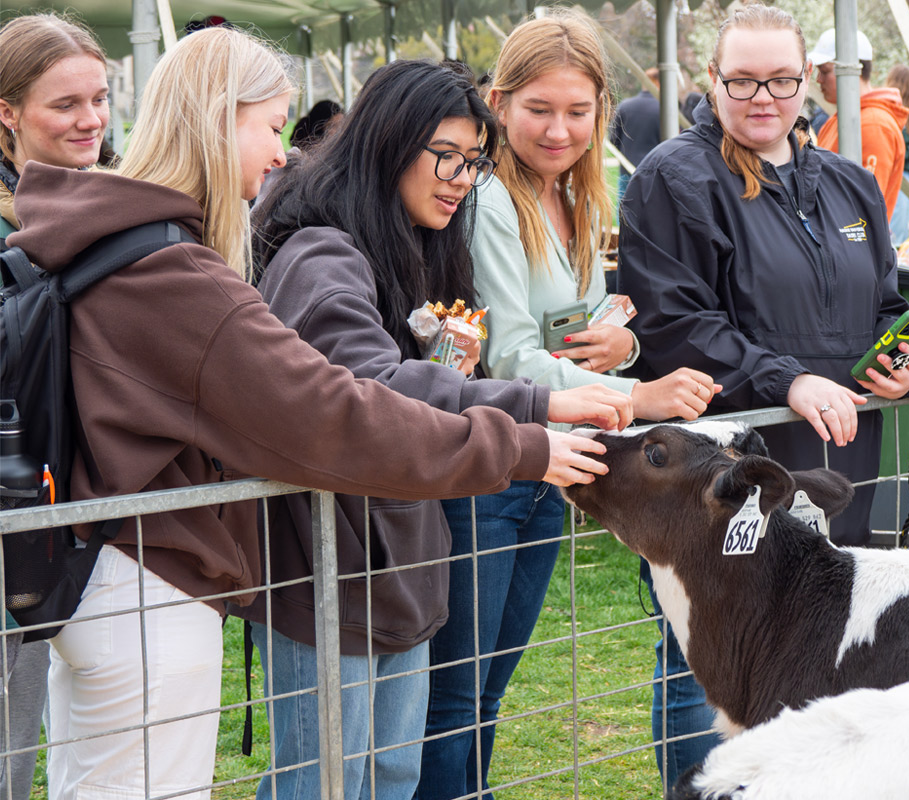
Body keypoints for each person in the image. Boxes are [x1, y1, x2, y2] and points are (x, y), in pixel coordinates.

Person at [7, 26, 613, 800]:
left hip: (125, 573)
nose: (283, 152)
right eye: (270, 126)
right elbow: (334, 413)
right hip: (150, 587)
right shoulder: (175, 270)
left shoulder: (142, 249)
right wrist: (526, 436)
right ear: (216, 120)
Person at [242, 58, 632, 800]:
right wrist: (537, 410)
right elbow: (375, 390)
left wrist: (467, 374)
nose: (461, 179)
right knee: (327, 780)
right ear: (389, 144)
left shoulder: (408, 245)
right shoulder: (321, 250)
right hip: (330, 570)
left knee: (391, 773)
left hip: (397, 560)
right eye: (445, 156)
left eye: (474, 161)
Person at [617, 2, 909, 787]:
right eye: (744, 80)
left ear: (806, 82)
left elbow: (885, 305)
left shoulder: (849, 184)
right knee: (710, 659)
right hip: (724, 478)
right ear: (712, 79)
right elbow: (676, 324)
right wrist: (787, 379)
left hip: (842, 462)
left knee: (830, 645)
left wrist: (907, 360)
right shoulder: (674, 179)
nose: (764, 97)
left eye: (782, 80)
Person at [419, 11, 719, 800]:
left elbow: (578, 331)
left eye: (577, 111)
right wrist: (640, 393)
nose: (559, 130)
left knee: (484, 693)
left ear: (601, 111)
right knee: (455, 699)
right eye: (539, 109)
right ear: (498, 103)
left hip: (551, 466)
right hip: (487, 467)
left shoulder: (581, 197)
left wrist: (621, 342)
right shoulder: (487, 201)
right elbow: (514, 356)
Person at [0, 13, 109, 799]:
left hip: (53, 512)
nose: (90, 119)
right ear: (7, 113)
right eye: (65, 104)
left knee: (29, 732)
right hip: (16, 497)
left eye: (99, 98)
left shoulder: (99, 207)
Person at [810, 28, 909, 218]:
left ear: (853, 70)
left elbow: (864, 209)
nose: (818, 79)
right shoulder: (842, 119)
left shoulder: (874, 124)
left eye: (824, 71)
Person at [610, 66, 662, 204]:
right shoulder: (665, 110)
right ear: (659, 83)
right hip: (654, 173)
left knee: (625, 209)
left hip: (626, 170)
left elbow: (613, 139)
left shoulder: (625, 106)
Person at [884, 64, 909, 245]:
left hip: (896, 173)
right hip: (898, 175)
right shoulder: (894, 110)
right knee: (896, 230)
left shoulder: (890, 108)